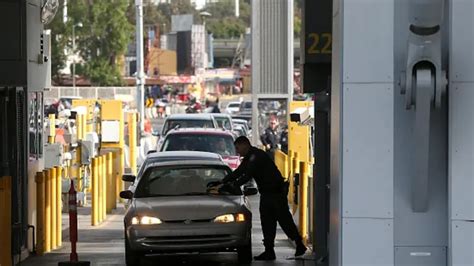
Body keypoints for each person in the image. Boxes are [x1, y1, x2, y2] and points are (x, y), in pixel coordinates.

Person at [219, 136, 307, 261]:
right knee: (267, 223)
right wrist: (223, 181)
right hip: (267, 194)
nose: (237, 151)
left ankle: (299, 244)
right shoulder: (251, 156)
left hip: (275, 194)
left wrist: (233, 185)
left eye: (238, 148)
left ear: (245, 145)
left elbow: (247, 175)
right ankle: (269, 251)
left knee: (284, 221)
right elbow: (239, 171)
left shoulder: (256, 156)